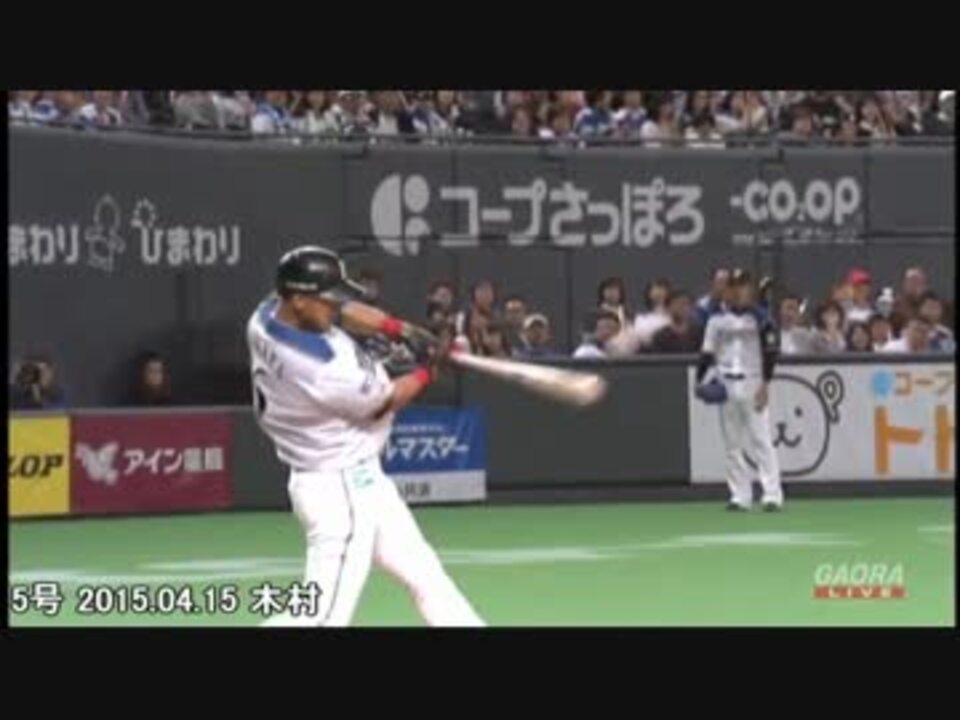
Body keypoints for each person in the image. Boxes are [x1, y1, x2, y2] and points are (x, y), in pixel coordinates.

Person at [248, 245, 483, 627]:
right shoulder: (322, 369)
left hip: (357, 480)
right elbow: (386, 400)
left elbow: (345, 311)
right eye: (326, 299)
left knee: (427, 579)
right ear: (299, 300)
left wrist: (401, 330)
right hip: (339, 490)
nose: (335, 307)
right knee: (321, 618)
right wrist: (428, 370)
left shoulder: (266, 315)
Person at [695, 269, 783, 512]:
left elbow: (771, 353)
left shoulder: (761, 317)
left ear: (750, 289)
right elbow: (706, 353)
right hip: (726, 383)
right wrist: (699, 380)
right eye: (734, 286)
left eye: (743, 286)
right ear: (727, 290)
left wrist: (765, 384)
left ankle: (772, 494)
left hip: (753, 381)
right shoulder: (715, 319)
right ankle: (740, 495)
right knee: (732, 443)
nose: (738, 290)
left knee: (761, 439)